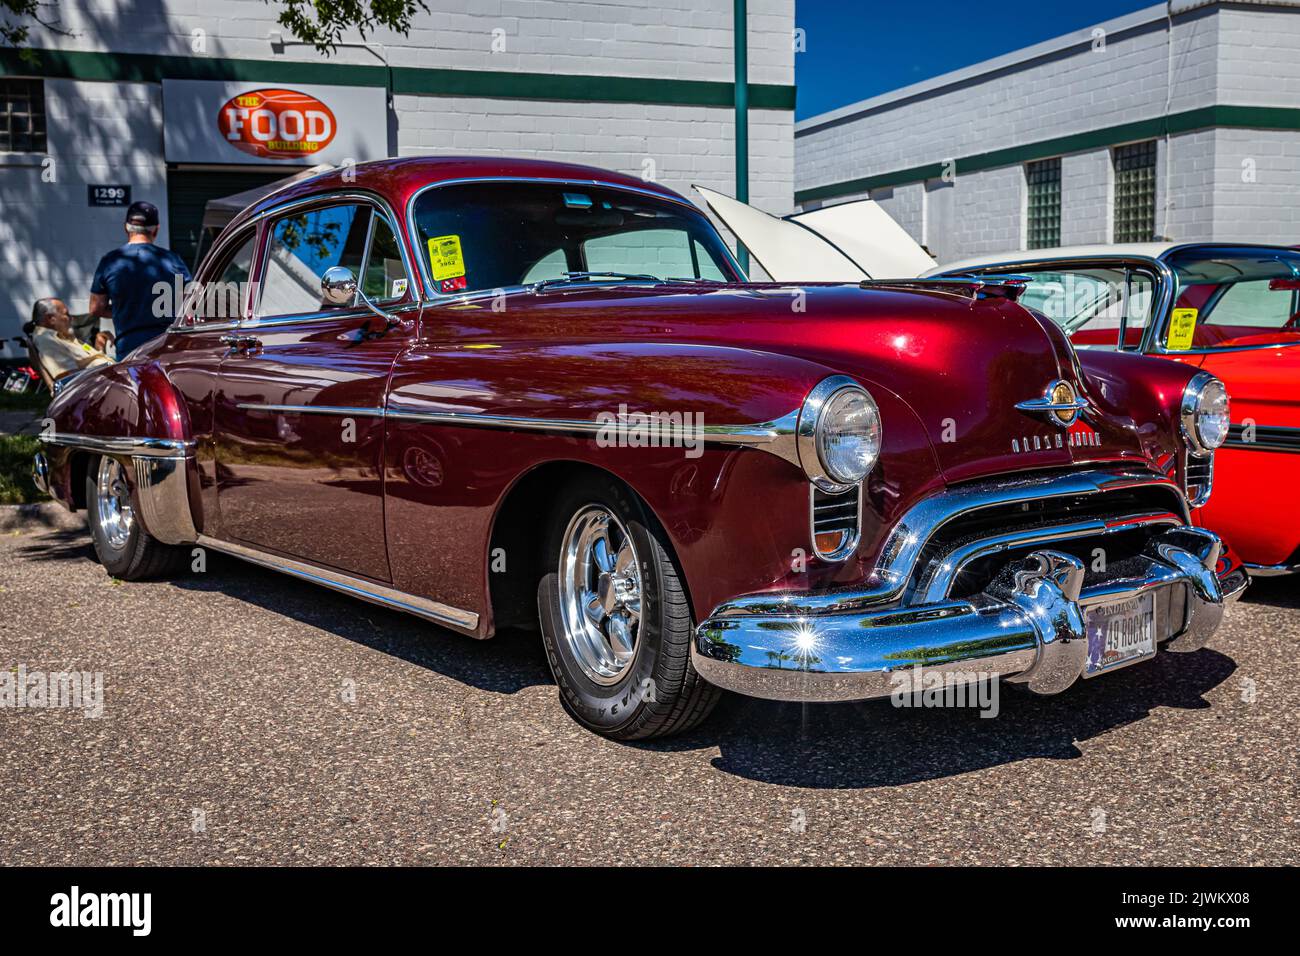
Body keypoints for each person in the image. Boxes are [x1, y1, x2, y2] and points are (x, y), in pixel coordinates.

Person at [88, 200, 191, 358]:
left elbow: (96, 308)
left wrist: (124, 311)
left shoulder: (109, 261)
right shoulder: (172, 259)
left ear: (126, 228)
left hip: (129, 347)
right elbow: (191, 300)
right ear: (156, 230)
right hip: (166, 344)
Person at [25, 298, 113, 384]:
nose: (71, 318)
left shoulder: (62, 337)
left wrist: (99, 343)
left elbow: (90, 360)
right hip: (103, 385)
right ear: (50, 318)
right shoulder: (47, 340)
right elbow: (71, 380)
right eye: (66, 314)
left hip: (109, 377)